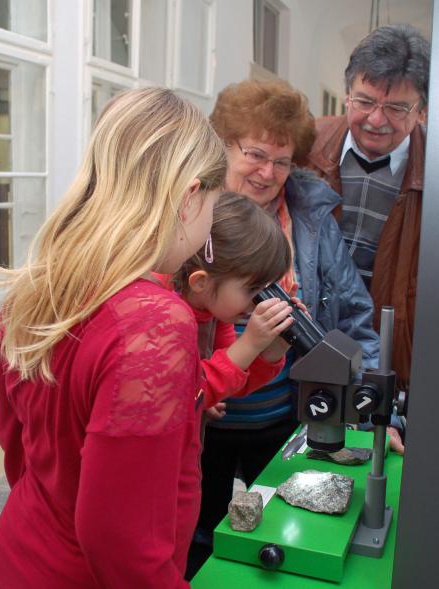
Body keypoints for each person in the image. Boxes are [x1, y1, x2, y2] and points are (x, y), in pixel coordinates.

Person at [0, 87, 227, 589]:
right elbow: (122, 543)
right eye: (213, 207)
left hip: (24, 554)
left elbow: (19, 453)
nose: (208, 227)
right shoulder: (154, 323)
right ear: (188, 197)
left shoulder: (36, 288)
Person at [188, 78, 381, 577]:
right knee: (197, 536)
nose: (268, 172)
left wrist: (370, 405)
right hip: (201, 421)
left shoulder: (311, 220)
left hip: (280, 418)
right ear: (221, 145)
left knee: (281, 530)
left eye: (283, 159)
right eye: (255, 153)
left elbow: (356, 315)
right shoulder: (186, 220)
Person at [307, 25, 429, 423]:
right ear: (347, 96)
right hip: (306, 347)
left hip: (389, 357)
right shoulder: (306, 146)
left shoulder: (432, 172)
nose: (377, 119)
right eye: (365, 101)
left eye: (396, 108)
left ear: (422, 111)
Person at [171, 191, 295, 416]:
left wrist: (272, 351)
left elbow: (233, 385)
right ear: (201, 282)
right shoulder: (164, 316)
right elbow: (185, 393)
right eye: (252, 289)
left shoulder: (215, 311)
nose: (257, 301)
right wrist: (249, 343)